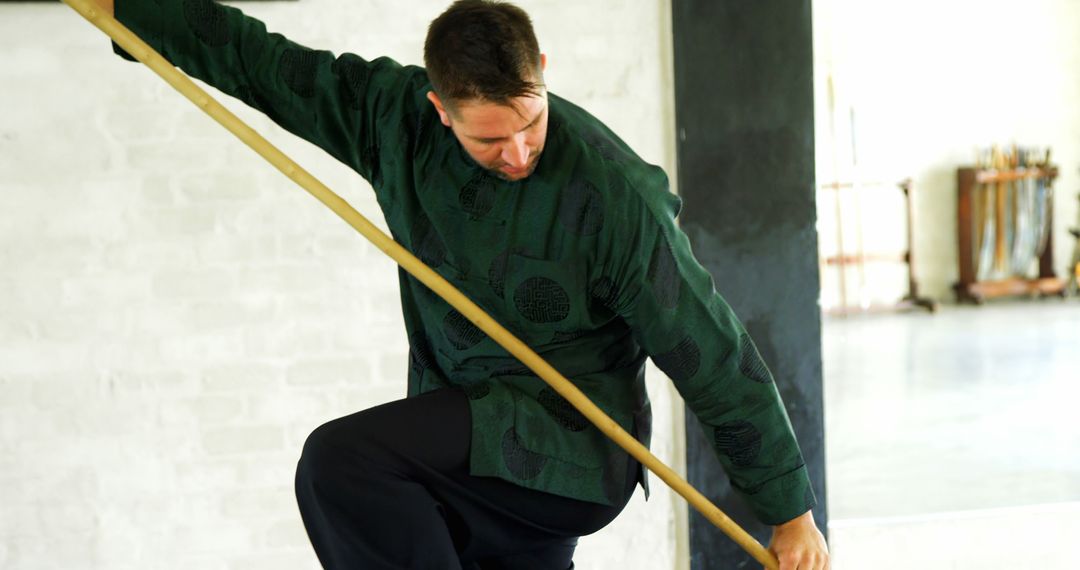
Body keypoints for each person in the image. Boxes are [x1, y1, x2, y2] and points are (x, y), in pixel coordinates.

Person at [94, 0, 830, 567]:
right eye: (487, 138)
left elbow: (711, 352)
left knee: (340, 465)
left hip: (572, 448)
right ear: (439, 109)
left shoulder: (614, 199)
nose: (516, 153)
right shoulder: (393, 122)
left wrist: (789, 512)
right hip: (466, 441)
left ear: (542, 67)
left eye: (530, 124)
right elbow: (261, 62)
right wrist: (132, 8)